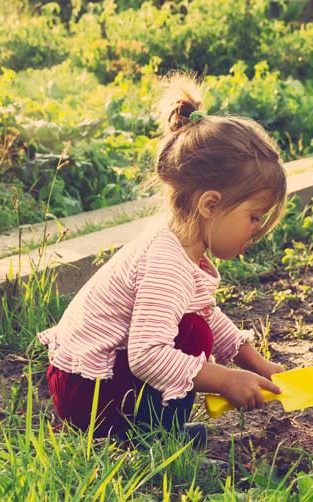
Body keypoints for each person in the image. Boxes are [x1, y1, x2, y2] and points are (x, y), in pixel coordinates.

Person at [38, 73, 287, 443]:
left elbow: (204, 310)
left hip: (89, 383)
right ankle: (148, 436)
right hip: (87, 391)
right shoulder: (166, 262)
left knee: (194, 325)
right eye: (254, 217)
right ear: (211, 205)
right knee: (192, 334)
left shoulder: (181, 244)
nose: (258, 230)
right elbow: (146, 356)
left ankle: (147, 427)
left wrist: (254, 363)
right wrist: (224, 379)